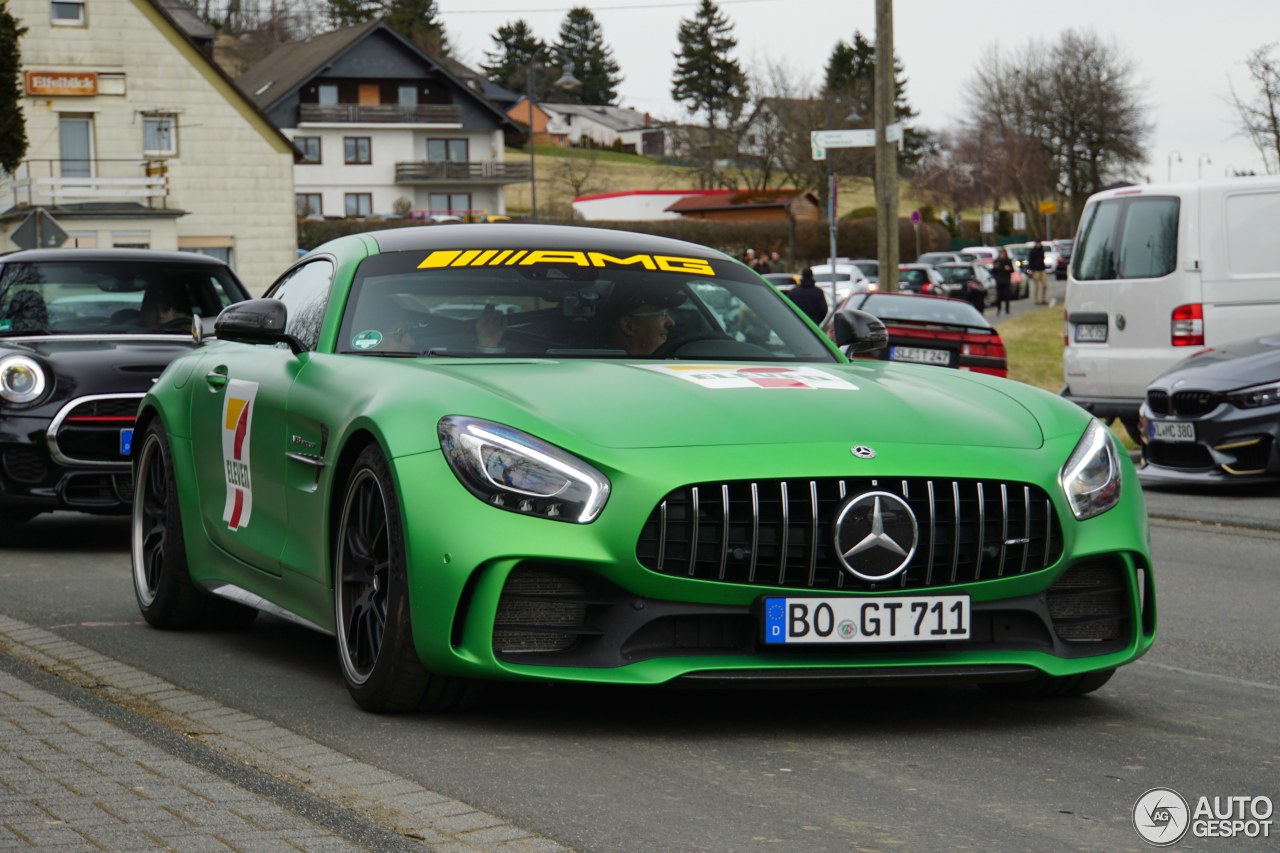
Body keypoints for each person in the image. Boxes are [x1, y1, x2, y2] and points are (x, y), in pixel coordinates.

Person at [991, 249, 1015, 315]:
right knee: (999, 296)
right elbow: (993, 271)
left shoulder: (1008, 261)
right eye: (1001, 254)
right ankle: (999, 308)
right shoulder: (997, 261)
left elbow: (1012, 270)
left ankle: (1007, 309)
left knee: (1007, 296)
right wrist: (995, 268)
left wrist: (1009, 269)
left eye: (1003, 254)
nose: (1002, 255)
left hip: (1006, 280)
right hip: (999, 281)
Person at [1027, 240, 1048, 304]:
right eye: (1037, 243)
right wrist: (1031, 270)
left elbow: (1043, 259)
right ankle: (1036, 300)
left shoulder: (1042, 250)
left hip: (1042, 269)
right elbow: (1030, 261)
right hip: (1035, 270)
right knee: (1036, 286)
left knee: (1045, 285)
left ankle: (1043, 299)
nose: (1039, 244)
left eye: (1039, 243)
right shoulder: (1033, 251)